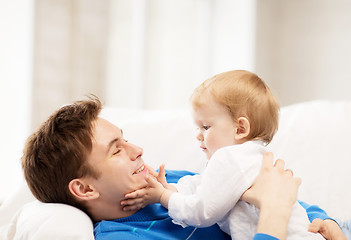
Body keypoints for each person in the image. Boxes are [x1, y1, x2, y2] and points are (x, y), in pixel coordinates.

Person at [21, 96, 340, 240]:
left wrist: (324, 222)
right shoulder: (122, 237)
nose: (138, 150)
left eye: (126, 139)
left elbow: (263, 194)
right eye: (117, 150)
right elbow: (272, 201)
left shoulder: (173, 181)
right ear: (85, 189)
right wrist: (274, 210)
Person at [122, 70, 346, 239]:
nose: (198, 136)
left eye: (206, 127)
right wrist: (172, 189)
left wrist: (163, 197)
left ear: (240, 129)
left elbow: (203, 212)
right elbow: (204, 186)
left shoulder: (229, 159)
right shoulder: (249, 157)